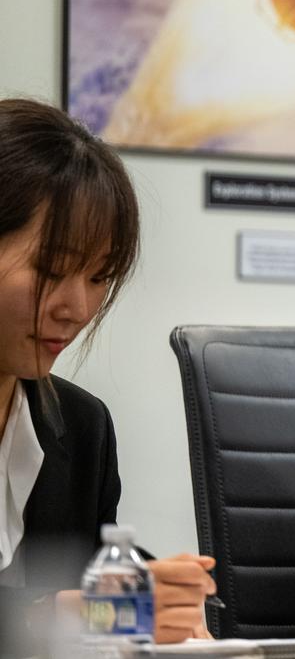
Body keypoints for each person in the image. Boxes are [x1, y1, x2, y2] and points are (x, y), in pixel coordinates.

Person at [0, 98, 217, 656]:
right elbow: (66, 612)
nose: (76, 307)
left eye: (100, 277)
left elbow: (93, 581)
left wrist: (162, 593)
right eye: (52, 270)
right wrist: (50, 618)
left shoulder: (80, 424)